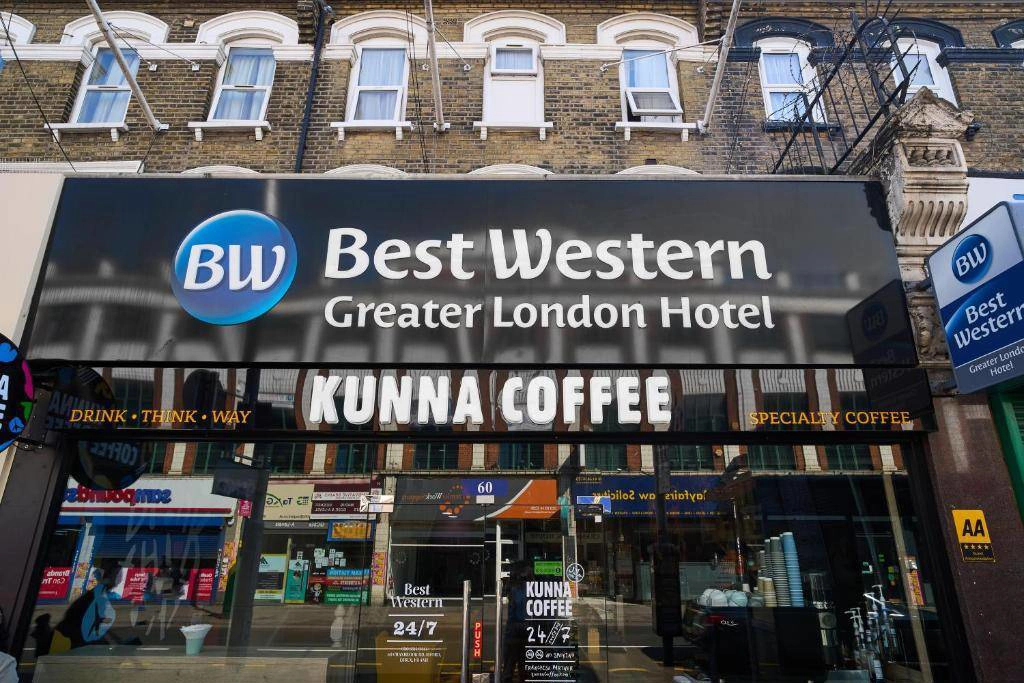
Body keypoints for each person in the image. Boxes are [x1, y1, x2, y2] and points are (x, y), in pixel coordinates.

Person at [501, 563, 530, 683]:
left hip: (513, 629)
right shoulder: (532, 588)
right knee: (524, 666)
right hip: (527, 629)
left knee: (509, 664)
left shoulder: (513, 588)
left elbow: (510, 606)